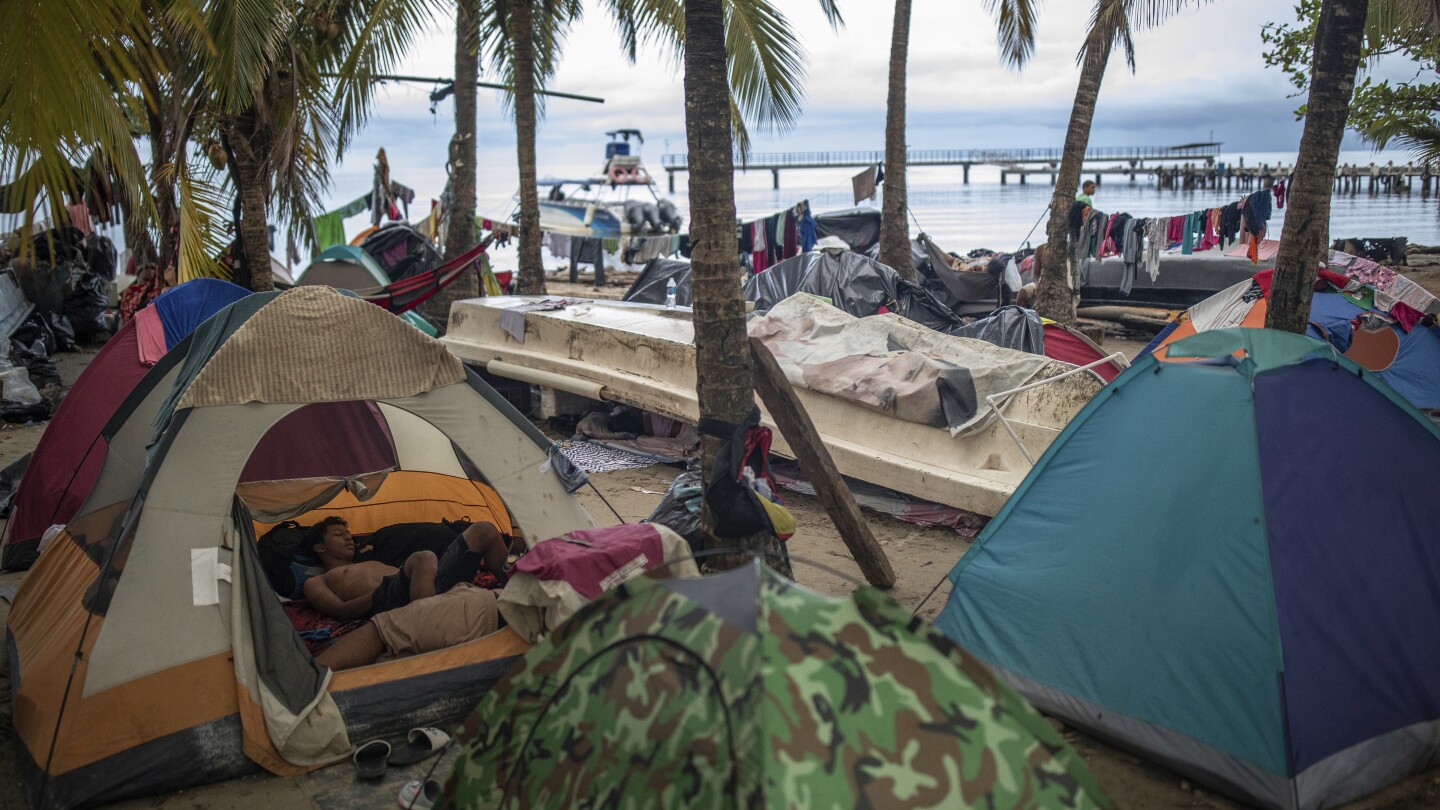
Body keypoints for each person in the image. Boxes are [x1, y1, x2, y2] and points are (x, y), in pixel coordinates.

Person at [302, 516, 514, 621]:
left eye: (347, 534)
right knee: (424, 557)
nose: (348, 537)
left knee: (483, 529)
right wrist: (378, 592)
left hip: (425, 585)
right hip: (392, 599)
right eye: (338, 534)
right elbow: (341, 612)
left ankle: (519, 588)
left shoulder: (367, 558)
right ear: (319, 547)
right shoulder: (316, 582)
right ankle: (428, 626)